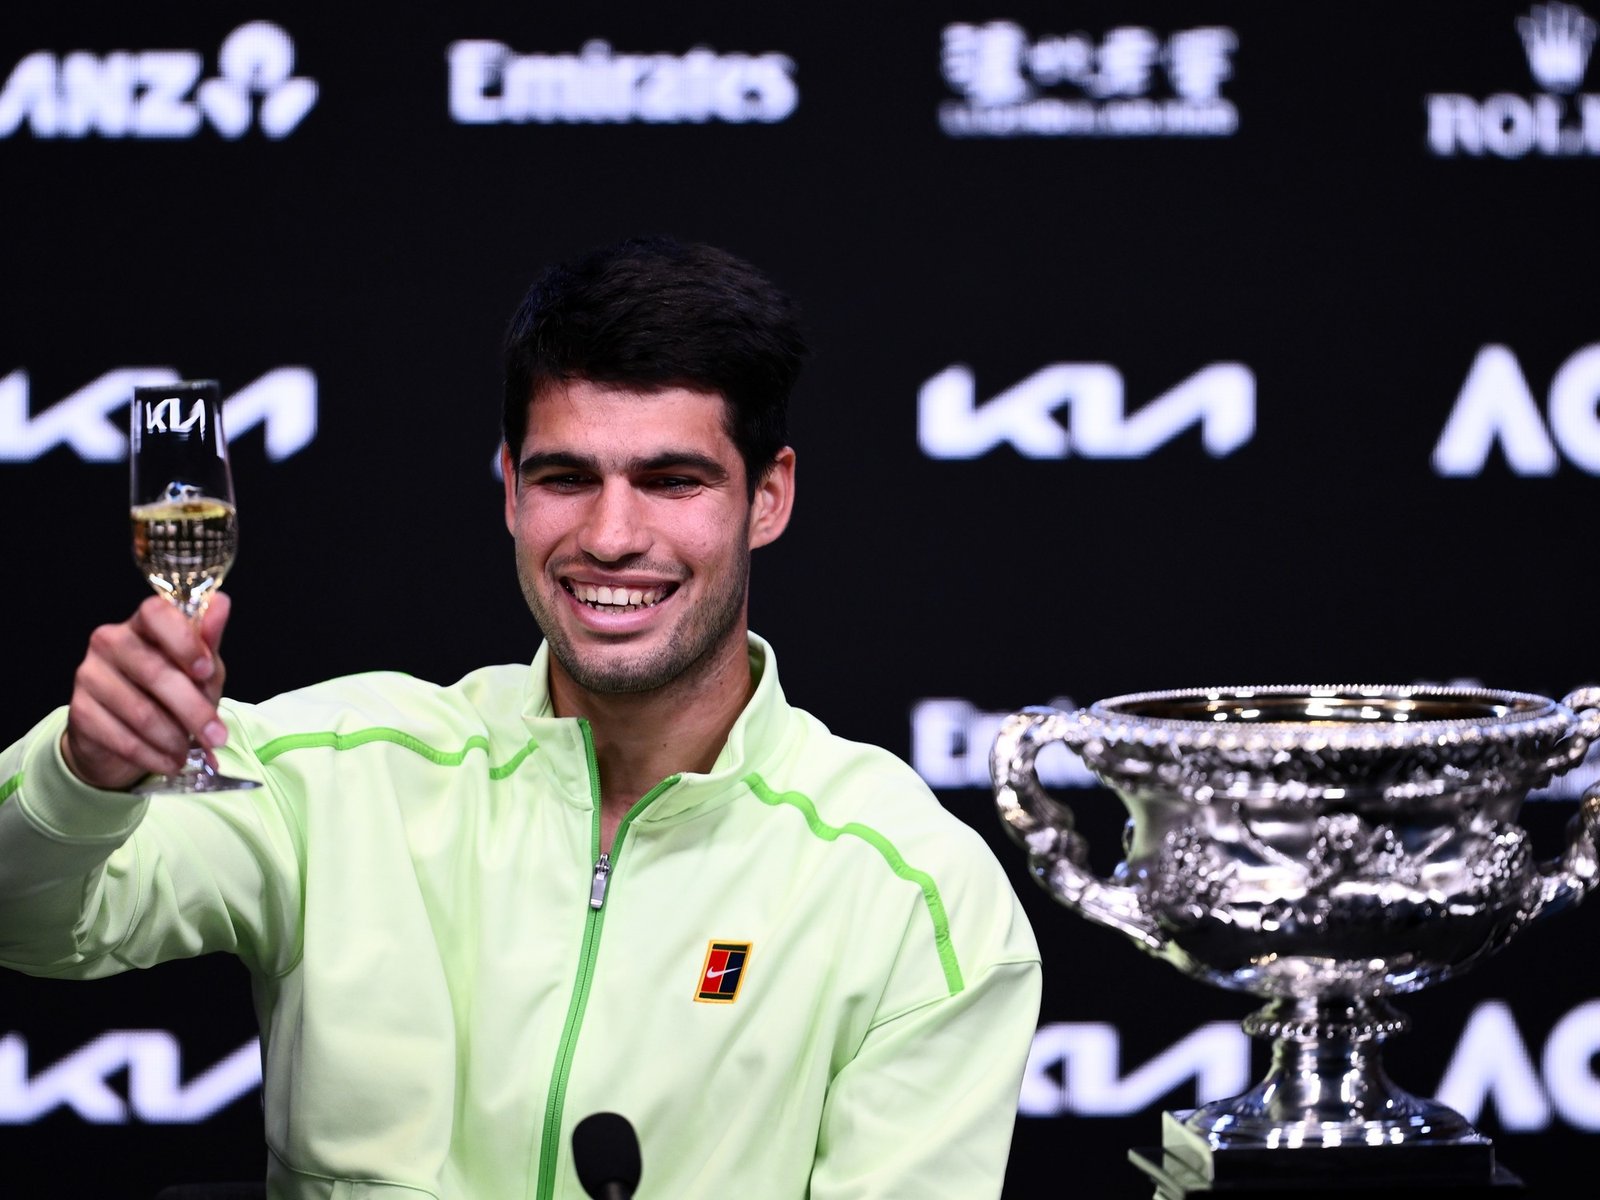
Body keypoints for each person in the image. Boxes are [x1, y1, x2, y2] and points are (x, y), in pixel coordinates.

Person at [0, 236, 1042, 1199]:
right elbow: (34, 924)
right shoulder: (339, 771)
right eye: (565, 477)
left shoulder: (912, 892)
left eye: (673, 480)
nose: (612, 534)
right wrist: (83, 774)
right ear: (509, 489)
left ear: (766, 499)